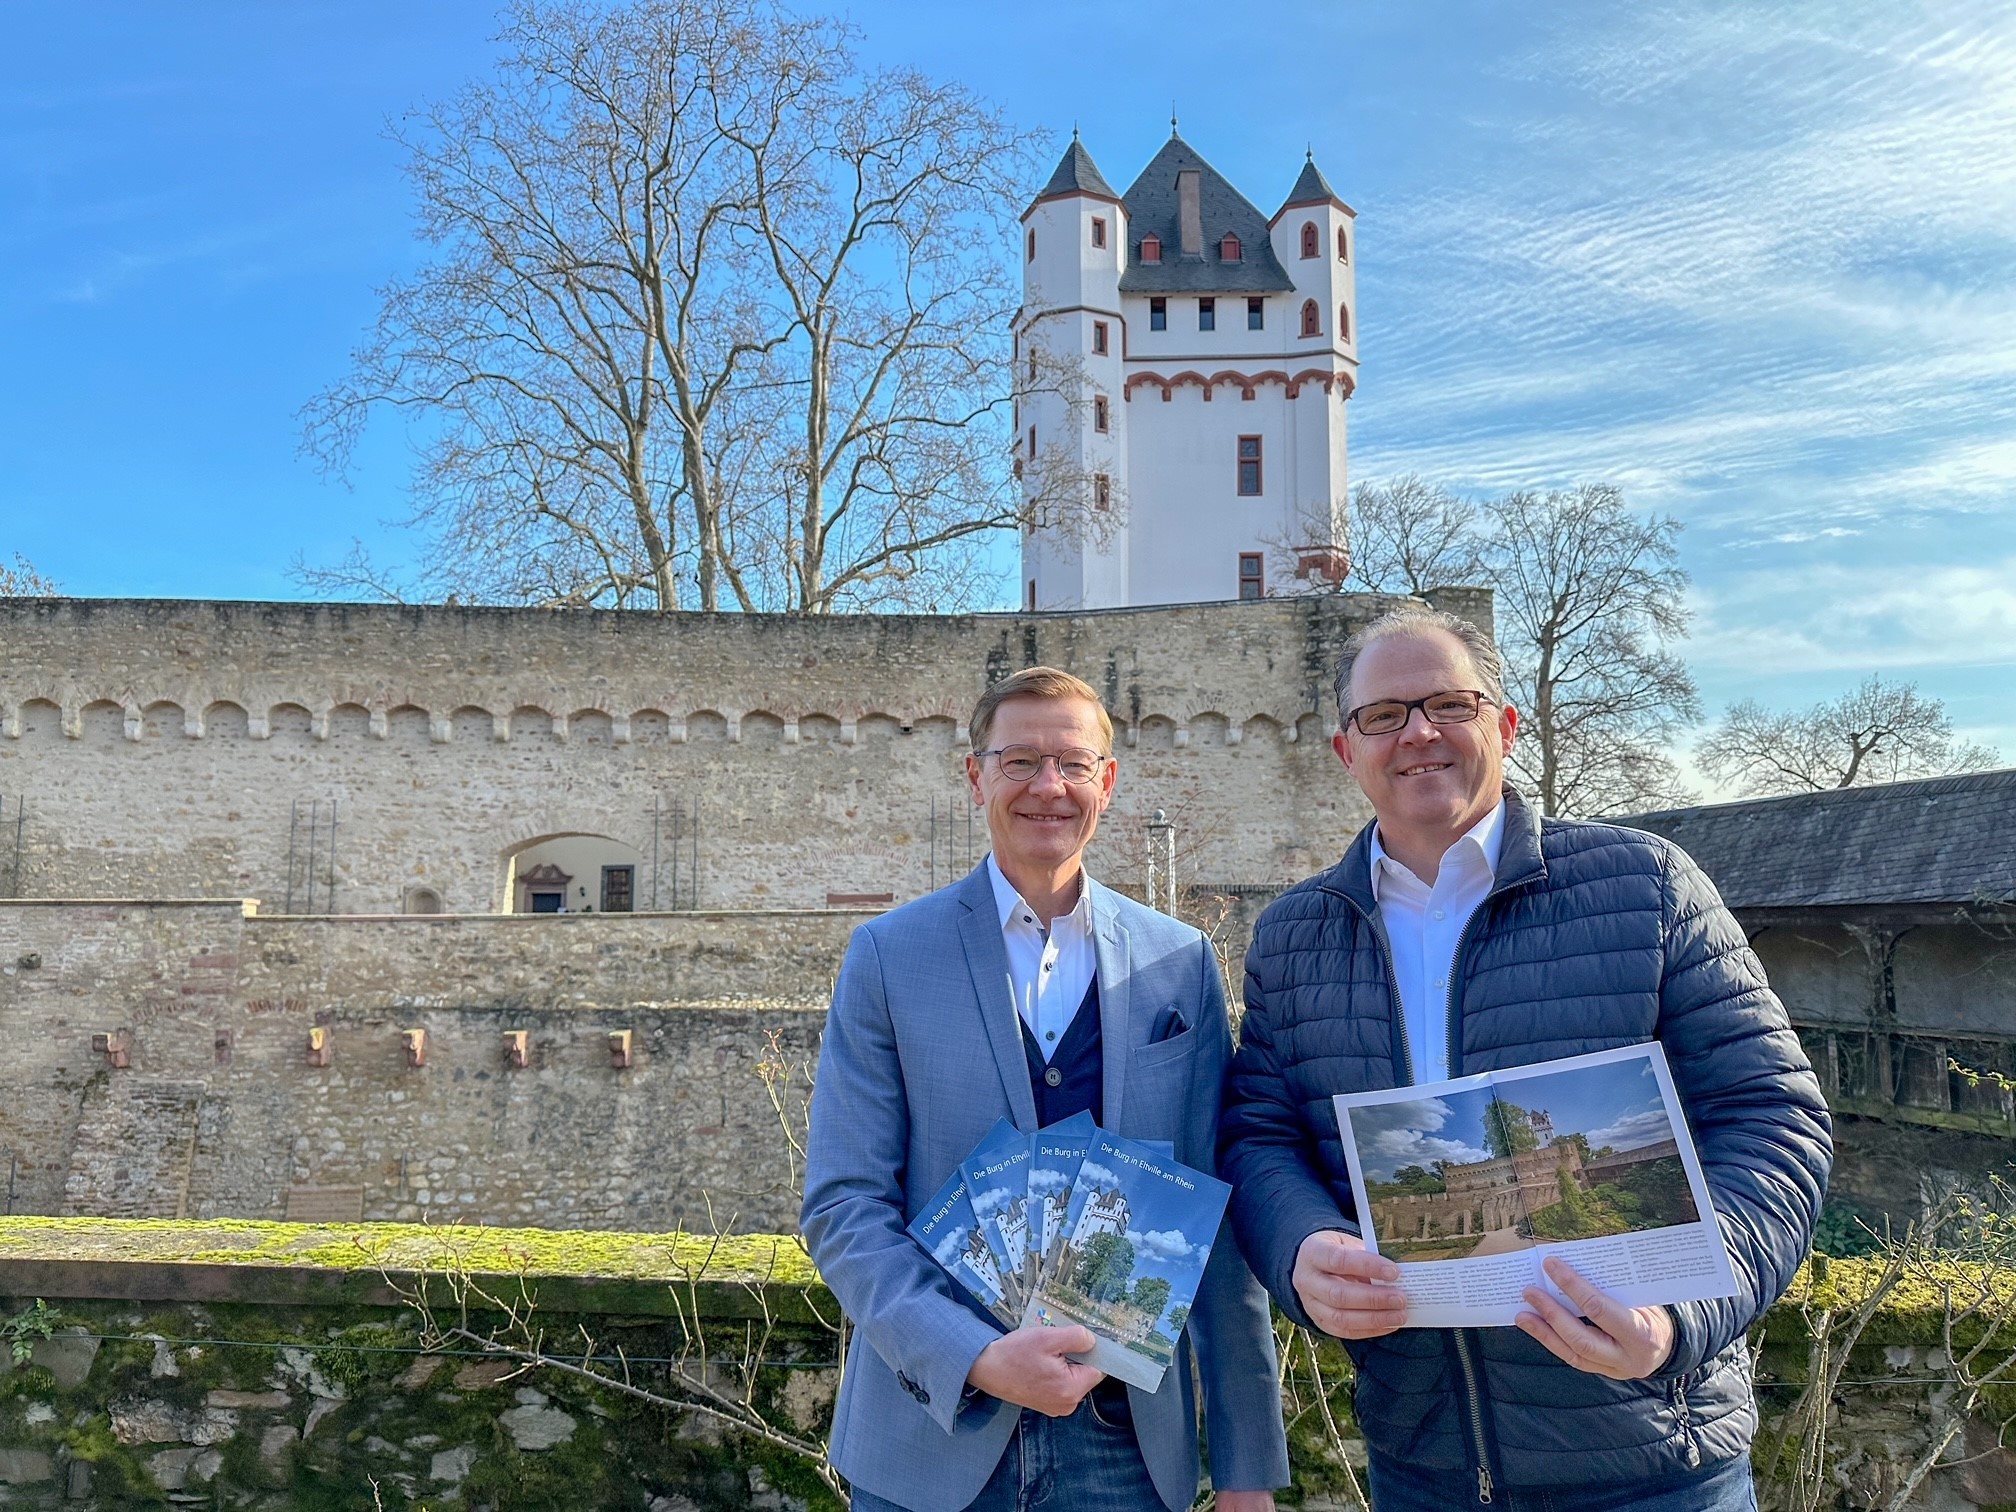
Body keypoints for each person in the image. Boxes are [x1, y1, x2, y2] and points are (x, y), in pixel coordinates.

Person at [1220, 607, 1832, 1510]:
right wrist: (1300, 1246)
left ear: (1504, 727)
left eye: (1448, 704)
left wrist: (1680, 1318)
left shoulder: (1644, 884)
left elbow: (1774, 1119)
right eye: (1383, 715)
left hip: (1651, 1461)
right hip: (1424, 1465)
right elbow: (1261, 1135)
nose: (1418, 732)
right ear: (1347, 752)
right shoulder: (1292, 937)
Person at [803, 667, 1289, 1512]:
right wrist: (974, 1356)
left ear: (1107, 780)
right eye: (1019, 761)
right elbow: (844, 1207)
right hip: (932, 1443)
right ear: (975, 776)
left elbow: (1217, 1220)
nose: (1047, 787)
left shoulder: (1181, 962)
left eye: (1071, 763)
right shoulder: (887, 956)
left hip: (1127, 1449)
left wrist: (1247, 1467)